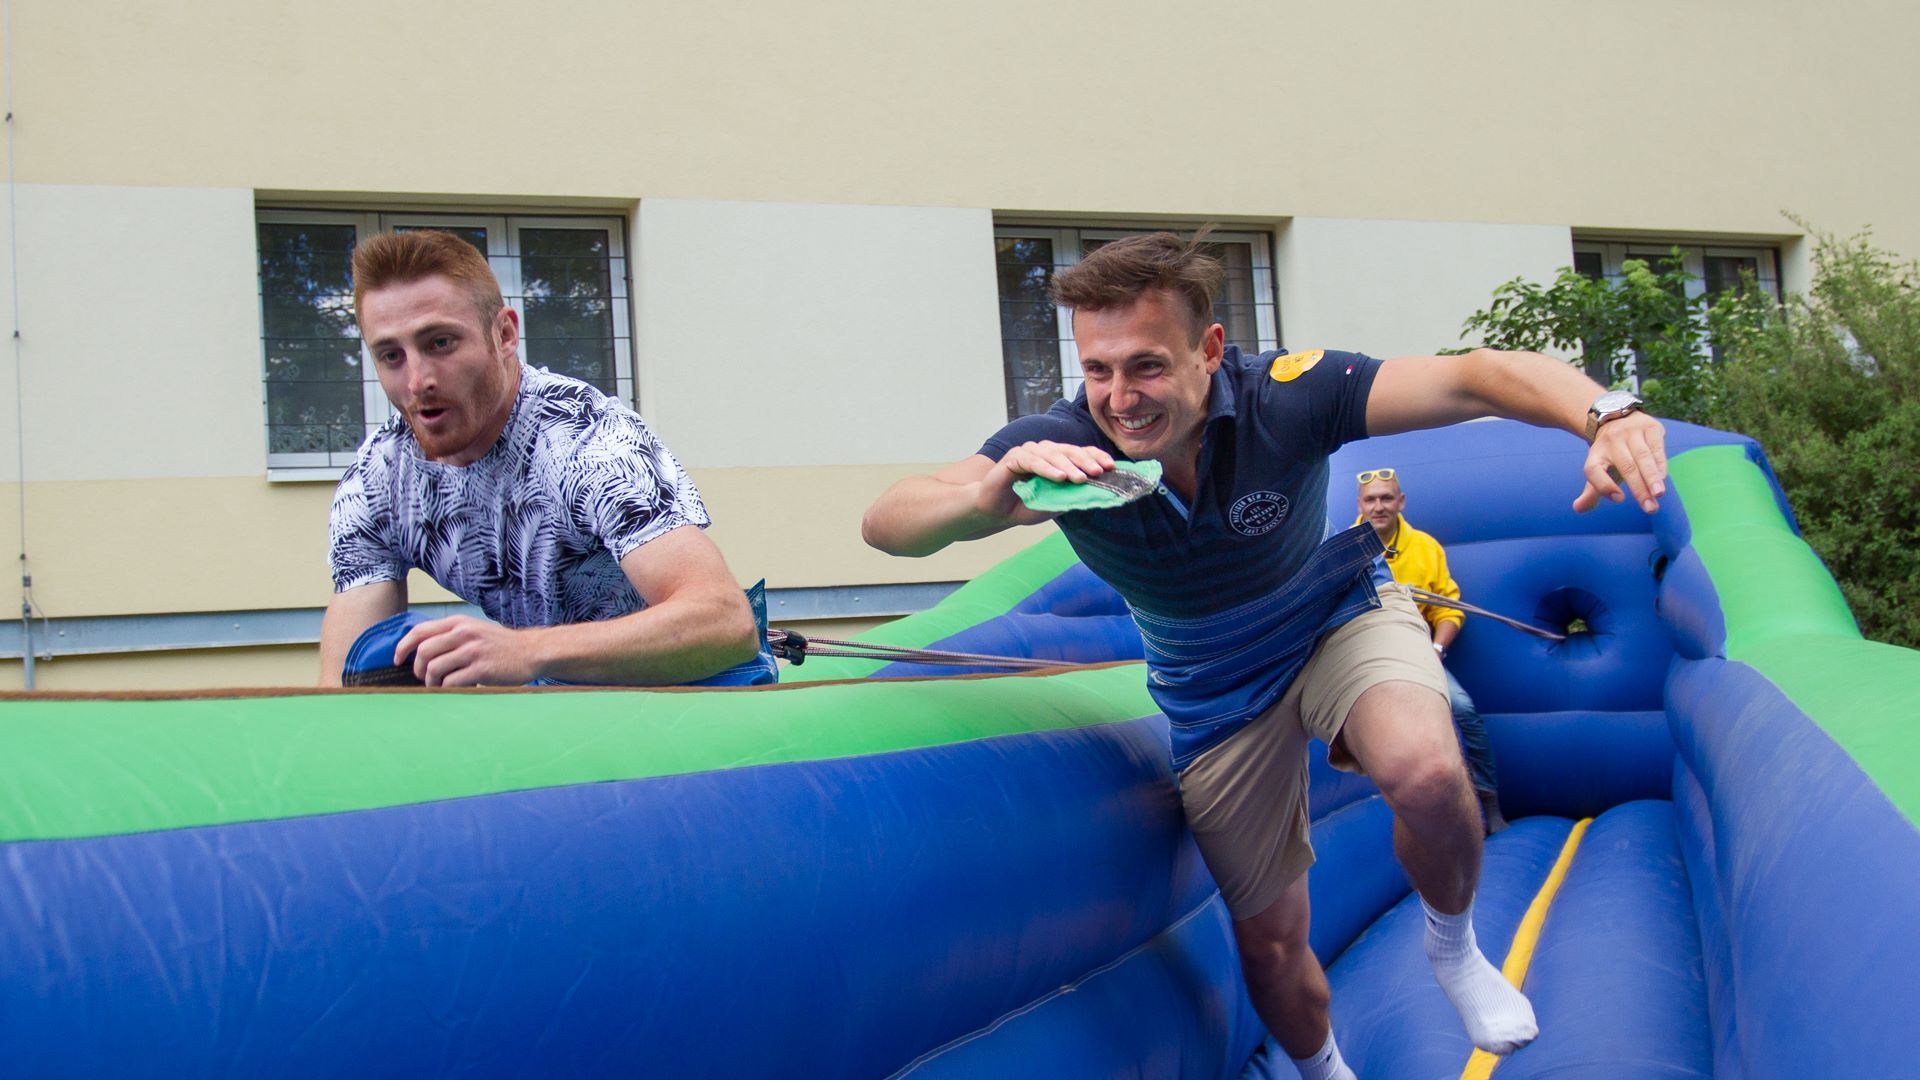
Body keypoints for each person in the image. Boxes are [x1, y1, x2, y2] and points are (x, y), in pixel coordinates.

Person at [861, 233, 1665, 1078]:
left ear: (1209, 349)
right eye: (1098, 370)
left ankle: (1455, 947)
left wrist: (1606, 413)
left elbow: (1474, 377)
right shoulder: (1060, 448)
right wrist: (985, 497)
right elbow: (887, 523)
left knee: (1428, 771)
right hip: (1213, 688)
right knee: (1273, 946)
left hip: (1333, 616)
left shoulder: (1288, 396)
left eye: (1146, 367)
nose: (1120, 398)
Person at [317, 229, 764, 689]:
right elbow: (341, 686)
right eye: (391, 355)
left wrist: (525, 650)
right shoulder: (377, 480)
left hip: (702, 685)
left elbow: (725, 623)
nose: (417, 381)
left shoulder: (588, 441)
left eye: (440, 343)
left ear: (504, 334)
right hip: (556, 692)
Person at [1356, 468, 1509, 834]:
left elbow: (1449, 609)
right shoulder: (1341, 549)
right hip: (1362, 656)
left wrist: (1436, 648)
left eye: (1386, 498)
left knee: (1462, 709)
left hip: (1417, 653)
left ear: (1401, 502)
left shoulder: (1425, 547)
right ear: (1359, 505)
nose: (1379, 507)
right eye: (1371, 500)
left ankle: (1487, 800)